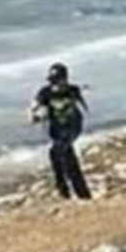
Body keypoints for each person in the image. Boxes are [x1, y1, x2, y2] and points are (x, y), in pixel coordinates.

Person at [30, 62, 92, 200]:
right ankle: (66, 190)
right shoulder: (45, 93)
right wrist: (36, 114)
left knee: (63, 151)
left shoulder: (72, 90)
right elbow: (34, 106)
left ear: (65, 79)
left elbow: (82, 106)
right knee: (55, 154)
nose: (55, 85)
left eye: (58, 81)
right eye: (52, 81)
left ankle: (79, 192)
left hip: (72, 127)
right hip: (56, 130)